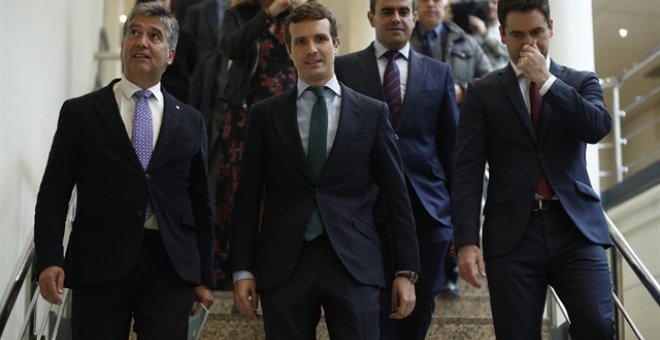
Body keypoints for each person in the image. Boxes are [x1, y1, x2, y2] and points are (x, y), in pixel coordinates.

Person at [229, 2, 420, 339]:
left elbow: (396, 196)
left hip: (354, 264)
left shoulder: (372, 113)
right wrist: (243, 270)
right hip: (284, 264)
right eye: (300, 42)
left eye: (319, 38)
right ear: (289, 50)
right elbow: (247, 198)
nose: (311, 49)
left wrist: (406, 271)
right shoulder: (265, 115)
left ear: (336, 43)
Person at [34, 3, 214, 339]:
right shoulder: (81, 112)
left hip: (169, 266)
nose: (142, 41)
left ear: (170, 55)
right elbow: (54, 193)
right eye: (135, 32)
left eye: (154, 35)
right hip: (98, 262)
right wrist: (48, 257)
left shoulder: (191, 121)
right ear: (123, 44)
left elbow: (200, 203)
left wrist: (204, 274)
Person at [452, 0, 615, 338]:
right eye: (518, 34)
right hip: (513, 235)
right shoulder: (482, 93)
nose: (529, 44)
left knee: (599, 326)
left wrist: (547, 81)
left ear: (551, 28)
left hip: (575, 230)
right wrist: (467, 242)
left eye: (538, 32)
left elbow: (597, 127)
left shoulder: (581, 82)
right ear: (501, 35)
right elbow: (467, 171)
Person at [334, 0, 458, 339]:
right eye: (387, 11)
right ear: (371, 17)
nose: (396, 18)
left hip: (427, 212)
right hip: (363, 211)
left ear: (416, 18)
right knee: (369, 314)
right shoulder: (342, 69)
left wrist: (458, 223)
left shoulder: (439, 72)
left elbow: (452, 151)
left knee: (417, 317)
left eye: (404, 11)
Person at [210, 0, 301, 289]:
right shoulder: (237, 14)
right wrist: (268, 15)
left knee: (284, 188)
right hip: (245, 114)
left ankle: (282, 266)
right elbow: (230, 48)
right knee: (243, 191)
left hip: (290, 113)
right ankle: (240, 268)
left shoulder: (297, 15)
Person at [412, 0, 491, 104]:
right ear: (415, 6)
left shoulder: (467, 42)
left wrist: (464, 91)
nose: (430, 4)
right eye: (424, 0)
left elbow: (489, 82)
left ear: (445, 6)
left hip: (458, 115)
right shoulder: (402, 43)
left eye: (436, 0)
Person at [137, 0, 199, 103]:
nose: (158, 3)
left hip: (177, 100)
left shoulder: (185, 39)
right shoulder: (136, 40)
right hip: (141, 97)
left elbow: (195, 75)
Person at [451, 0, 509, 69]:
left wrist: (484, 34)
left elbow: (507, 51)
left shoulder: (506, 28)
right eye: (486, 3)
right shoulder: (473, 28)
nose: (489, 6)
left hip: (498, 74)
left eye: (494, 3)